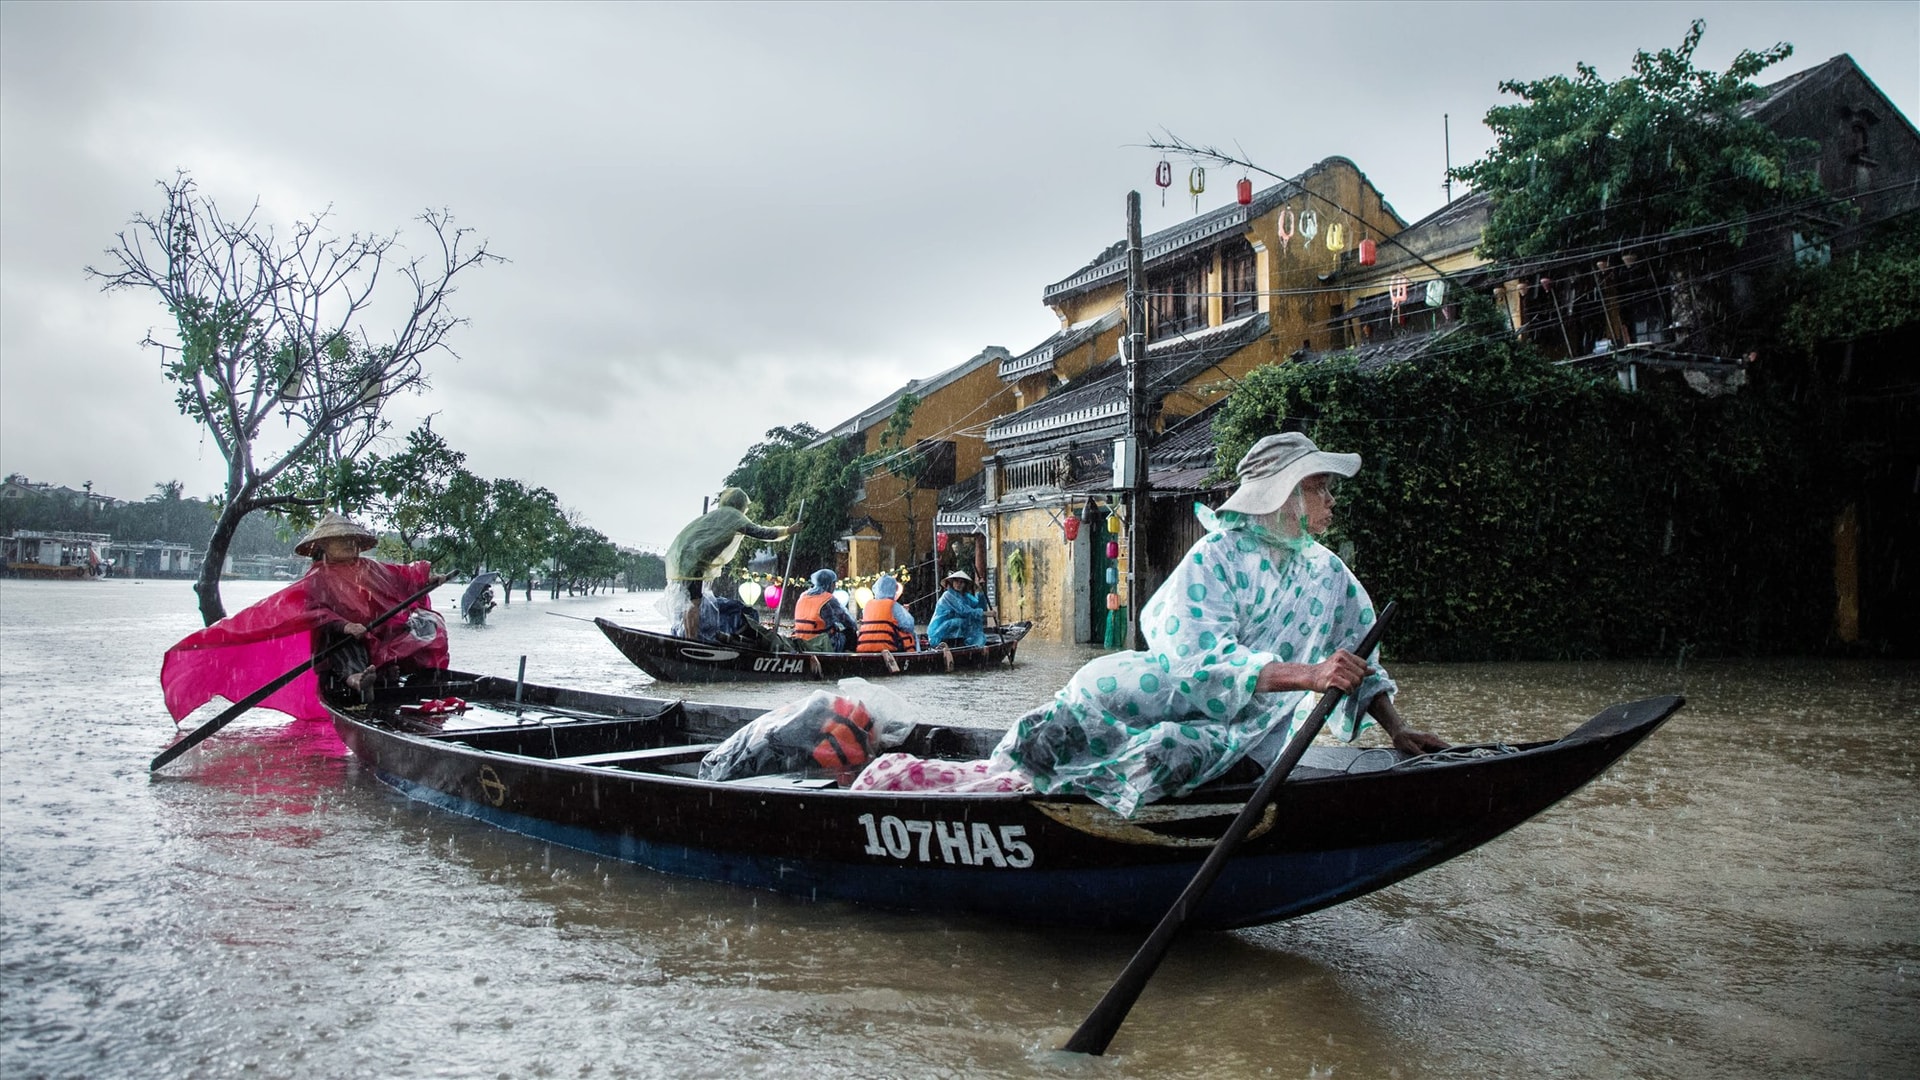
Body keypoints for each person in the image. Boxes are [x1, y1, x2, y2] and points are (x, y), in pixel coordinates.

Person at [853, 432, 1446, 815]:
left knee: (1168, 752)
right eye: (1319, 488)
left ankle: (1089, 797)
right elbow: (1192, 654)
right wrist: (1307, 675)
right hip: (1170, 693)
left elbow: (1357, 660)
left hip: (1240, 732)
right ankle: (1014, 798)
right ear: (1286, 495)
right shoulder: (1217, 558)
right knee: (1053, 730)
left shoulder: (1329, 574)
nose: (1329, 501)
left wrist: (1395, 729)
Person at [160, 513, 451, 724]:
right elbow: (313, 612)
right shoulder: (318, 577)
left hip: (377, 632)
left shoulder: (370, 567)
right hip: (340, 640)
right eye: (341, 542)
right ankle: (354, 678)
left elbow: (401, 576)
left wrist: (428, 578)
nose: (349, 546)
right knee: (343, 640)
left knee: (427, 624)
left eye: (352, 541)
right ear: (323, 547)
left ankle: (414, 677)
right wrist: (345, 624)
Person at [663, 488, 800, 640]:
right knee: (694, 602)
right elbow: (761, 533)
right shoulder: (734, 517)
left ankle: (689, 637)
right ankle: (691, 639)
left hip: (685, 559)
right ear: (741, 504)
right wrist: (788, 530)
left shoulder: (715, 515)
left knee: (690, 602)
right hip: (695, 562)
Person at [792, 568, 861, 652]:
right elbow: (850, 622)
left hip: (800, 642)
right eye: (834, 583)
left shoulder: (803, 596)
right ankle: (847, 662)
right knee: (851, 632)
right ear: (830, 584)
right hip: (820, 644)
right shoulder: (828, 599)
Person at [855, 572, 917, 653]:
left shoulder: (868, 605)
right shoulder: (893, 605)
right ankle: (915, 658)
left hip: (864, 649)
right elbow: (909, 625)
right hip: (888, 649)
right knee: (909, 634)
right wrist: (905, 612)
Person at [925, 569, 987, 648]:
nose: (958, 584)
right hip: (939, 633)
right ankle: (952, 645)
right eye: (956, 581)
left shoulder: (965, 596)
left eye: (961, 582)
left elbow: (976, 605)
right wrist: (985, 613)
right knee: (959, 621)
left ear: (965, 584)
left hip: (956, 634)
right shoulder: (947, 595)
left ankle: (965, 645)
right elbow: (964, 611)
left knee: (972, 622)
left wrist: (981, 591)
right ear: (952, 583)